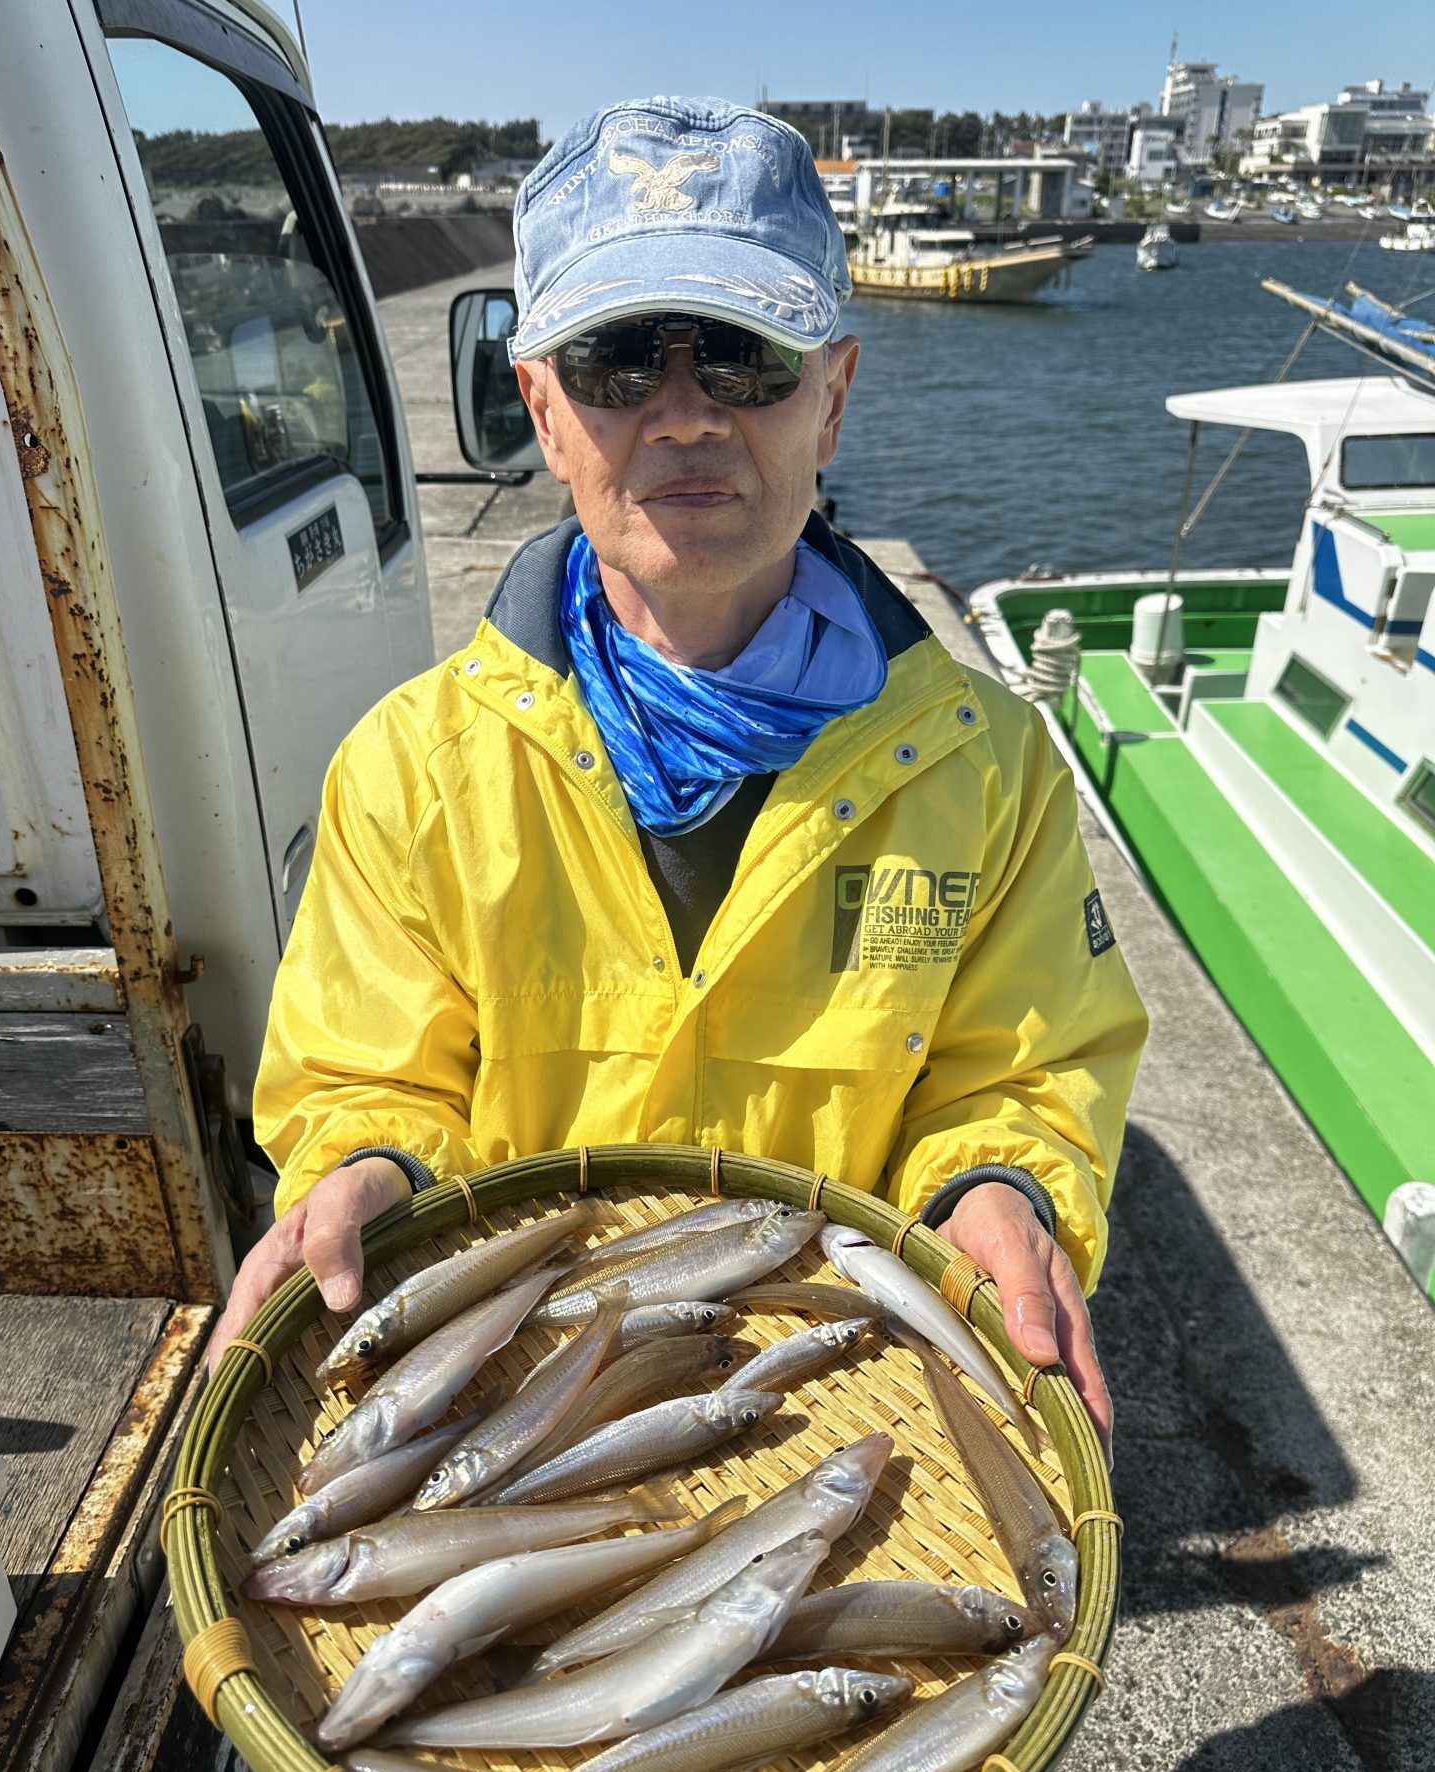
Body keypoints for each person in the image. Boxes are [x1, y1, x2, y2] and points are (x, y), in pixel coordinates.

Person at [211, 96, 1147, 1461]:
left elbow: (1026, 1071)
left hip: (839, 1392)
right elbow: (366, 1075)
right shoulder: (408, 770)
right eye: (617, 360)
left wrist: (997, 1187)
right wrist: (364, 1169)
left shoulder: (994, 770)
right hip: (524, 1384)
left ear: (833, 399)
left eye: (746, 357)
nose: (688, 414)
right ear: (543, 409)